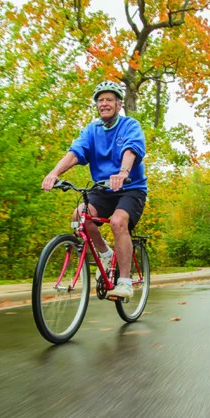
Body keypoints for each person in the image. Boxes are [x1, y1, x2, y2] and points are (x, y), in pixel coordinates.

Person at [41, 80, 148, 298]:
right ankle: (106, 253)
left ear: (119, 104)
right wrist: (54, 173)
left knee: (118, 222)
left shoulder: (129, 126)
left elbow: (132, 149)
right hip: (102, 188)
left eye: (109, 99)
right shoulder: (92, 130)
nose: (104, 103)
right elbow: (75, 152)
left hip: (130, 187)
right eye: (100, 100)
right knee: (80, 215)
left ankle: (125, 281)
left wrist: (123, 172)